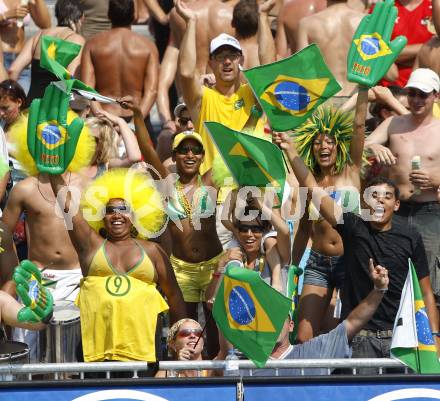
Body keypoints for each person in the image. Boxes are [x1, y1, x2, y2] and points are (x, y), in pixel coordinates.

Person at [274, 131, 440, 368]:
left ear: (397, 203)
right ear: (365, 203)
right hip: (361, 340)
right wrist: (290, 149)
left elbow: (425, 293)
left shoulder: (410, 235)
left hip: (401, 340)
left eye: (386, 197)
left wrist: (434, 337)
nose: (380, 201)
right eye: (374, 196)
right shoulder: (352, 226)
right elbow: (312, 187)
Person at [49, 168, 186, 365]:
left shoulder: (152, 251)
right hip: (96, 354)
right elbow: (69, 208)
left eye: (124, 210)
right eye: (110, 210)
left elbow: (174, 296)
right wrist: (54, 174)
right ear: (101, 217)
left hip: (143, 353)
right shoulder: (90, 245)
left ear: (136, 216)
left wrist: (178, 344)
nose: (117, 215)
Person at [120, 97, 222, 358]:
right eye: (184, 151)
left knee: (216, 334)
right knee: (184, 333)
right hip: (181, 269)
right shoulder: (166, 183)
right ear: (174, 156)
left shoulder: (211, 180)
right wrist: (138, 115)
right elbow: (147, 148)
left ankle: (214, 383)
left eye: (196, 151)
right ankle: (185, 383)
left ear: (202, 157)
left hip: (213, 267)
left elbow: (233, 145)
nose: (190, 155)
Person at [291, 88, 368, 343]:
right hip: (318, 263)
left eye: (329, 141)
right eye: (317, 142)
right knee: (304, 337)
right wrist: (293, 267)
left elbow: (358, 126)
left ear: (338, 145)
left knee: (341, 335)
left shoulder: (352, 170)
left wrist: (364, 89)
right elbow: (303, 230)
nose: (323, 146)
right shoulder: (309, 184)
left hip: (350, 260)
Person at [365, 68, 440, 307]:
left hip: (428, 210)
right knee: (389, 269)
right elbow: (363, 144)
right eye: (412, 93)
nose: (417, 99)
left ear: (435, 96)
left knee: (428, 275)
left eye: (423, 94)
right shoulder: (393, 123)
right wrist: (374, 147)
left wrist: (436, 180)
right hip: (394, 211)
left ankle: (431, 337)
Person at [245, 258, 390, 376]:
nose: (273, 322)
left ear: (291, 326)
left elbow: (353, 323)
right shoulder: (246, 366)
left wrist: (378, 290)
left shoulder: (315, 352)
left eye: (278, 316)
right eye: (268, 318)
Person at [80, 0, 159, 120]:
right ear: (134, 15)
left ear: (108, 15)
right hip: (136, 116)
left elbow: (87, 88)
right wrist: (134, 123)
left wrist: (100, 116)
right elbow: (152, 91)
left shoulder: (92, 45)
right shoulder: (148, 47)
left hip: (104, 116)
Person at [8, 0, 85, 105]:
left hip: (30, 108)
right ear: (81, 18)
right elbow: (70, 81)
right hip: (53, 111)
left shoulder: (39, 35)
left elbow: (13, 70)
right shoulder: (77, 40)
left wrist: (12, 101)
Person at [295, 0, 363, 99]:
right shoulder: (365, 21)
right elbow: (382, 68)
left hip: (324, 97)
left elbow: (304, 69)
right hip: (357, 97)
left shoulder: (307, 23)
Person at [378, 0, 434, 87]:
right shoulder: (382, 8)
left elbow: (437, 52)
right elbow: (375, 52)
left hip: (425, 91)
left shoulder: (434, 7)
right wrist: (423, 54)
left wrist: (390, 56)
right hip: (385, 89)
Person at [0, 0, 51, 93]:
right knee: (4, 101)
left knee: (23, 101)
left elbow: (46, 25)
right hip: (2, 60)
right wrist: (5, 15)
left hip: (21, 60)